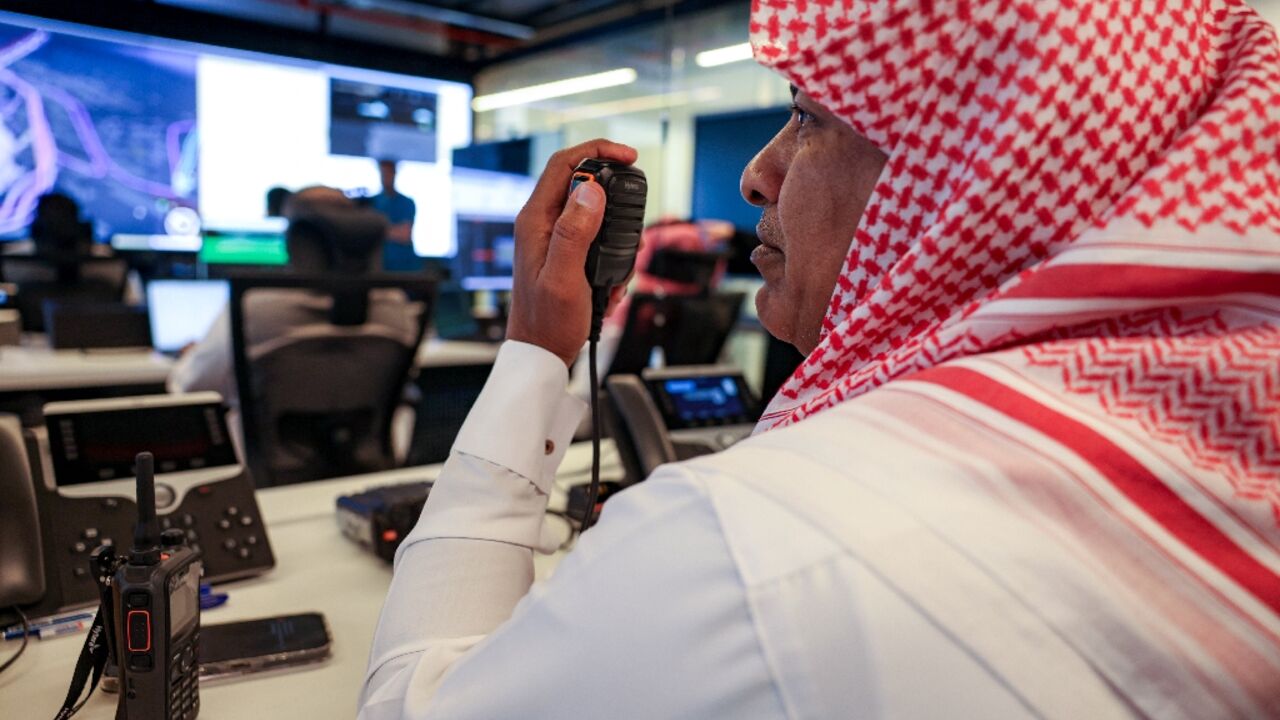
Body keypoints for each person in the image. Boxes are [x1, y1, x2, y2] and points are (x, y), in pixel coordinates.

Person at [362, 1, 1280, 718]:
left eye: (808, 118)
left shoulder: (748, 553)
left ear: (966, 173)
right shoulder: (1225, 448)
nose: (758, 172)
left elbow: (413, 705)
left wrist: (532, 353)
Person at [169, 186, 418, 409]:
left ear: (295, 236)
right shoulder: (394, 306)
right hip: (372, 458)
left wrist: (195, 356)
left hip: (263, 460)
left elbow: (194, 388)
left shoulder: (256, 306)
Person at [368, 159, 421, 272]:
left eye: (388, 173)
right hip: (379, 265)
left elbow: (404, 235)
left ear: (394, 174)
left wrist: (379, 232)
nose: (385, 177)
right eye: (383, 173)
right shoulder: (372, 202)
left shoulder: (406, 202)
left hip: (404, 265)